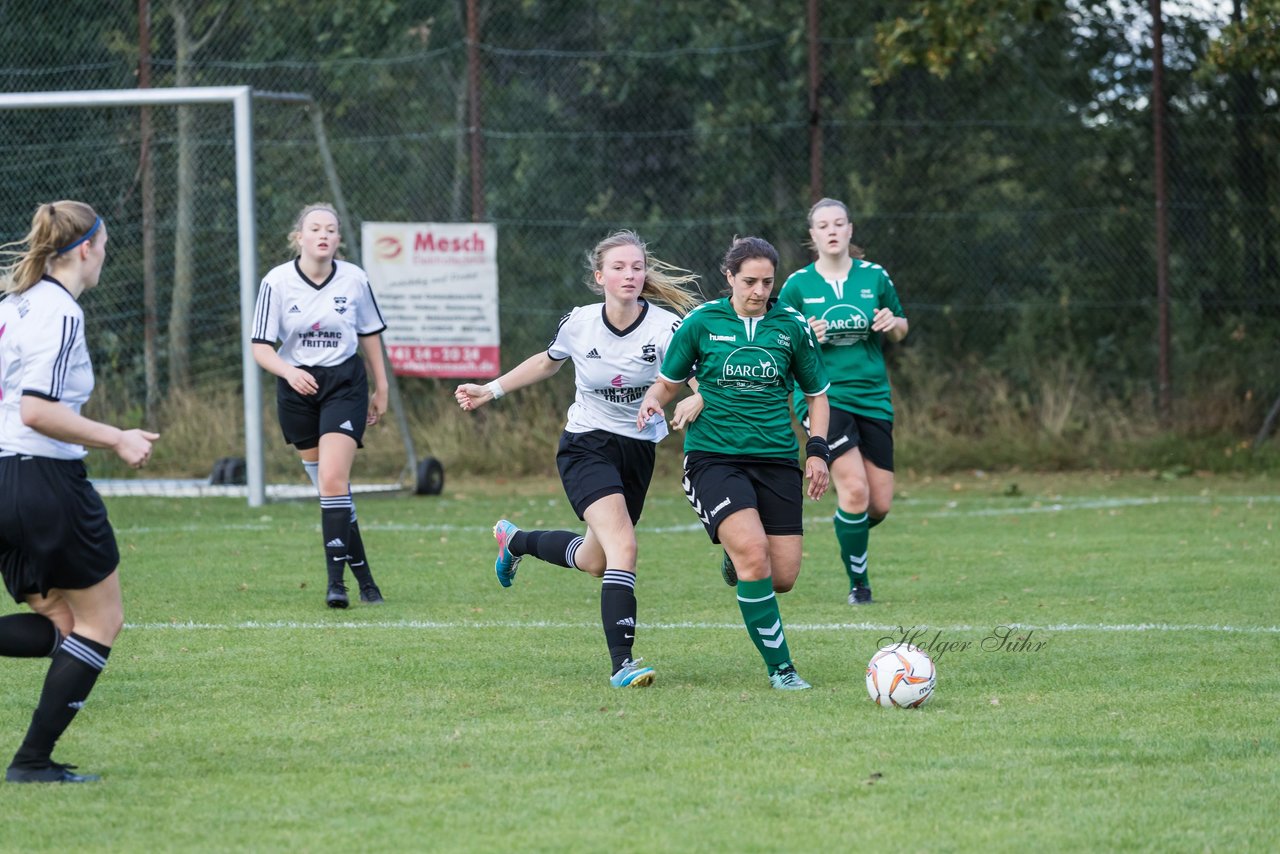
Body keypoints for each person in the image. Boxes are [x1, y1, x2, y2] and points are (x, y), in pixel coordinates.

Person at [455, 230, 703, 688]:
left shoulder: (666, 328)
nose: (630, 274)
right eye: (619, 267)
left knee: (596, 560)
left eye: (637, 267)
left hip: (637, 450)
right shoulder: (580, 323)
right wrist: (490, 389)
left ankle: (516, 542)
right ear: (599, 276)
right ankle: (623, 663)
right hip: (586, 444)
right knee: (624, 548)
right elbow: (547, 362)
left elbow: (695, 380)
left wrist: (696, 399)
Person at [0, 201, 159, 783]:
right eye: (105, 249)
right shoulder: (60, 312)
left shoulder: (11, 304)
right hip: (43, 479)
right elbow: (38, 411)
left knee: (64, 627)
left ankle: (33, 762)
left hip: (4, 477)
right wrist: (117, 437)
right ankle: (32, 764)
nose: (103, 261)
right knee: (101, 621)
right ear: (86, 249)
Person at [636, 236, 831, 691]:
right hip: (714, 458)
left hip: (778, 459)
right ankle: (781, 668)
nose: (759, 290)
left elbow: (818, 396)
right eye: (749, 281)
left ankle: (735, 560)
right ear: (728, 277)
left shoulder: (791, 326)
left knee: (782, 577)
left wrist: (817, 449)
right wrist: (651, 402)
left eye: (767, 282)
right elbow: (666, 384)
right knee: (753, 554)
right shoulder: (702, 323)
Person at [251, 203, 389, 608]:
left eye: (331, 229)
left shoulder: (354, 279)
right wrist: (288, 372)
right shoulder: (277, 282)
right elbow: (261, 347)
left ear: (338, 239)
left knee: (332, 478)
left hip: (344, 385)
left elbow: (370, 336)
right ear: (300, 237)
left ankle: (336, 585)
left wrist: (381, 388)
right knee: (332, 490)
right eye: (315, 228)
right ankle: (365, 579)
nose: (324, 235)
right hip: (297, 390)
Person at [776, 198, 908, 605]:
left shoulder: (875, 276)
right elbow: (778, 345)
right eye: (822, 225)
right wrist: (804, 335)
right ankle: (859, 586)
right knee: (853, 490)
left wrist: (892, 324)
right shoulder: (797, 285)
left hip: (871, 394)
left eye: (838, 223)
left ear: (850, 230)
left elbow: (901, 327)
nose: (831, 230)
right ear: (812, 236)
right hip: (822, 397)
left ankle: (846, 528)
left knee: (879, 503)